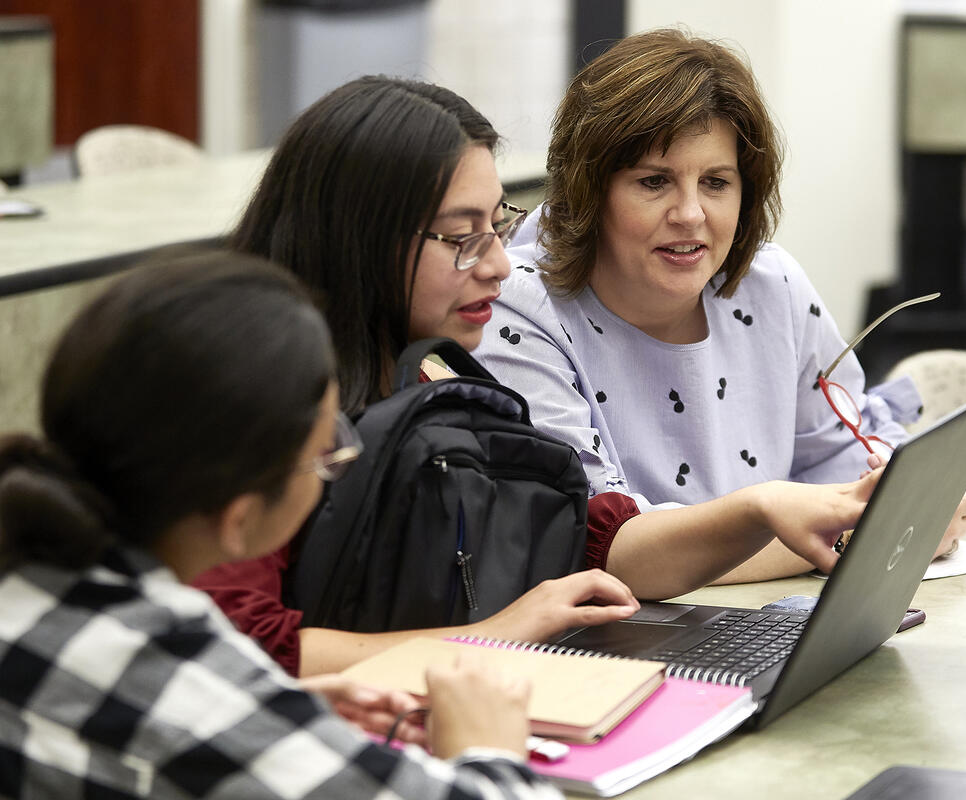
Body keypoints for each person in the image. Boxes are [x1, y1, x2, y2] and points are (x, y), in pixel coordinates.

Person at [193, 76, 884, 677]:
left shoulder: (434, 379)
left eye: (499, 225)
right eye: (462, 237)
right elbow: (238, 649)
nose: (497, 265)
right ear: (360, 237)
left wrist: (758, 507)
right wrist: (495, 638)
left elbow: (592, 534)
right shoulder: (242, 395)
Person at [0, 252, 561, 799]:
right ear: (239, 520)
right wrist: (488, 747)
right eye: (326, 455)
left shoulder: (40, 574)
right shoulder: (187, 682)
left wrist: (281, 713)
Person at [473, 29, 966, 584]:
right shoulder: (515, 309)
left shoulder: (771, 282)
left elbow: (839, 459)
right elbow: (605, 550)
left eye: (716, 182)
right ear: (588, 190)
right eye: (654, 181)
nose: (690, 214)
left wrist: (903, 500)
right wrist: (875, 532)